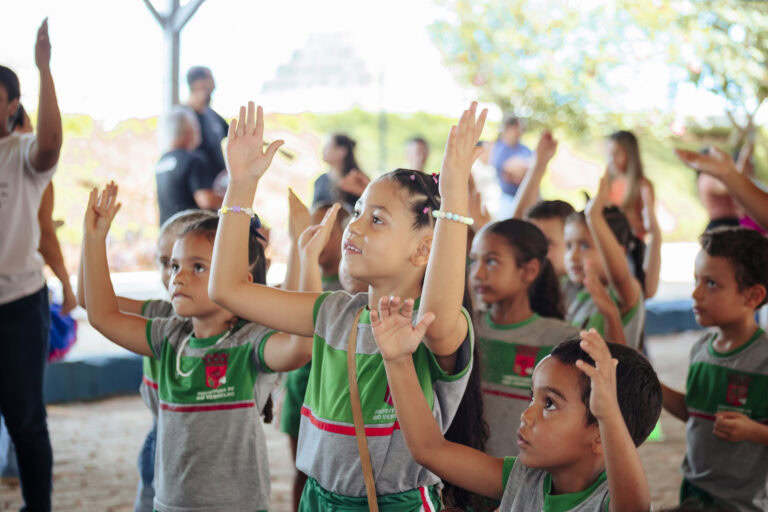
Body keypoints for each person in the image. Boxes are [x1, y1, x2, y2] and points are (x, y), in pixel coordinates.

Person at [209, 101, 487, 511]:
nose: (353, 226)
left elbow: (441, 310)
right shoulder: (336, 313)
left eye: (376, 219)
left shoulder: (433, 326)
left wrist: (454, 195)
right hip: (318, 499)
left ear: (424, 248)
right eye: (357, 212)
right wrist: (242, 184)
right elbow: (227, 289)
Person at [81, 183, 308, 512]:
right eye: (174, 266)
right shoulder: (168, 337)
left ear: (241, 281)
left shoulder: (249, 343)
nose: (178, 277)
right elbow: (101, 314)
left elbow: (301, 347)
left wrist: (304, 253)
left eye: (198, 267)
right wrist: (94, 239)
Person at [370, 299, 661, 512]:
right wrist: (397, 360)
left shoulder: (608, 501)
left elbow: (634, 505)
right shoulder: (524, 477)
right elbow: (429, 449)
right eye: (531, 397)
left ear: (599, 433)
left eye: (549, 403)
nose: (527, 414)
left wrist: (609, 415)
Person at [660, 228, 768, 511]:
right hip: (694, 493)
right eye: (696, 280)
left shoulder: (764, 359)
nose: (695, 293)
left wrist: (754, 431)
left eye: (711, 284)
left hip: (744, 504)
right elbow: (693, 412)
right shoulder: (701, 350)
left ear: (753, 296)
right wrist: (652, 385)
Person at [0, 19, 61, 512]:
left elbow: (51, 144)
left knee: (24, 420)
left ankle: (37, 507)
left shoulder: (20, 155)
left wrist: (44, 69)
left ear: (11, 105)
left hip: (19, 306)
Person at [469, 219, 579, 458]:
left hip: (526, 476)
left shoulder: (562, 339)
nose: (477, 273)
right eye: (473, 260)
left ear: (529, 270)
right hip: (464, 477)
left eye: (491, 261)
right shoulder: (464, 328)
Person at [279, 191, 349, 511]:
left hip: (337, 394)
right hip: (300, 387)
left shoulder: (355, 287)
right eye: (312, 226)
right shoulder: (300, 279)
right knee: (302, 470)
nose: (318, 234)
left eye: (328, 229)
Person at [564, 175, 646, 349]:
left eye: (585, 245)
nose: (573, 256)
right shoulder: (581, 296)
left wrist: (593, 216)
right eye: (568, 246)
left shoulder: (624, 293)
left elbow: (619, 277)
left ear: (618, 250)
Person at [606, 131, 662, 297]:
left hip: (631, 248)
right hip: (612, 247)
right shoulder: (610, 184)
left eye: (617, 154)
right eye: (609, 154)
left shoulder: (642, 185)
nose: (611, 159)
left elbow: (647, 225)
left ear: (630, 154)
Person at [677, 146, 768, 233]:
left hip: (732, 224)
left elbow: (738, 182)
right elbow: (732, 185)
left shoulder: (713, 176)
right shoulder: (707, 177)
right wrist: (742, 158)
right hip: (721, 226)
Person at [155, 106, 221, 224]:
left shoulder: (161, 162)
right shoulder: (193, 159)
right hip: (189, 234)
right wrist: (232, 198)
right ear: (188, 130)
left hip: (167, 231)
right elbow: (206, 200)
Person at [185, 66, 228, 182]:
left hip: (219, 187)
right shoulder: (182, 117)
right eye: (211, 80)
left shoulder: (212, 115)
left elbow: (233, 135)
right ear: (198, 84)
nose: (214, 86)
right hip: (199, 192)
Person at [312, 133, 369, 210]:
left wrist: (359, 191)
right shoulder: (320, 180)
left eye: (328, 146)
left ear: (342, 151)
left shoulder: (359, 180)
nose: (323, 150)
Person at [491, 116, 533, 218]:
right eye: (518, 127)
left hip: (529, 198)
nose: (520, 131)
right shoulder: (499, 148)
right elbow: (512, 170)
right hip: (508, 199)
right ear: (508, 128)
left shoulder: (525, 148)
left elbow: (537, 168)